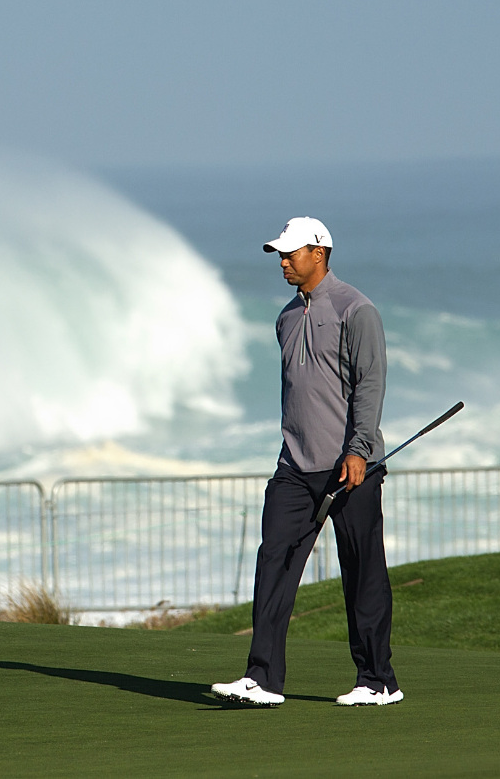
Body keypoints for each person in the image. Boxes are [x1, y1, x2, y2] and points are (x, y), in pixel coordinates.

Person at [211, 216, 401, 707]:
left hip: (349, 466)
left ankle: (378, 680)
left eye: (291, 253)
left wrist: (359, 450)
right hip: (295, 467)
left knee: (362, 570)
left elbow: (370, 386)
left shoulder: (356, 311)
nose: (283, 261)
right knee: (273, 559)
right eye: (280, 253)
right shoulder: (286, 318)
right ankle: (263, 677)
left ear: (319, 253)